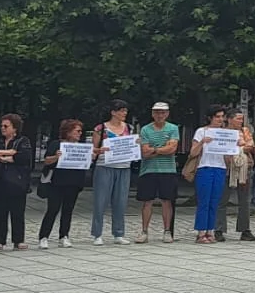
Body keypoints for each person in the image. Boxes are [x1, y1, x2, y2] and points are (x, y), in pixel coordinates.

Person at [187, 105, 236, 244]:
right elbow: (193, 153)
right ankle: (201, 231)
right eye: (217, 117)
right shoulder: (201, 131)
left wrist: (233, 148)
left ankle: (210, 230)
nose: (220, 119)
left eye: (222, 117)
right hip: (205, 167)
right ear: (210, 118)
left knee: (215, 201)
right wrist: (202, 142)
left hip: (220, 168)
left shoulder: (225, 133)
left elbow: (228, 157)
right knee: (204, 201)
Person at [0, 113, 34, 250]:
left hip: (17, 181)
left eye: (6, 126)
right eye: (1, 126)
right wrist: (9, 153)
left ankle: (18, 240)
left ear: (15, 128)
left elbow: (24, 157)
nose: (3, 128)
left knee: (17, 212)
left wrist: (5, 156)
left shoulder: (23, 140)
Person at [135, 101, 182, 243]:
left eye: (162, 112)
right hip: (148, 169)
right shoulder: (145, 129)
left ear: (167, 114)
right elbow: (145, 152)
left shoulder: (173, 128)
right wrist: (162, 148)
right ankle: (144, 231)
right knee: (147, 201)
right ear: (152, 114)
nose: (159, 115)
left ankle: (167, 231)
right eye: (157, 112)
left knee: (167, 201)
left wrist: (154, 149)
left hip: (168, 169)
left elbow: (172, 149)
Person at [91, 100, 136, 245]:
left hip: (124, 167)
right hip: (104, 166)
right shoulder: (101, 128)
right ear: (113, 112)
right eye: (121, 110)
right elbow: (93, 150)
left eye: (125, 111)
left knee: (120, 201)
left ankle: (119, 233)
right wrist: (99, 150)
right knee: (100, 201)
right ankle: (97, 233)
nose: (124, 113)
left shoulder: (129, 128)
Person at [39, 119, 90, 248]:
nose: (80, 133)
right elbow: (46, 161)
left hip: (74, 182)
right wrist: (56, 157)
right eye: (77, 131)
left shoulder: (81, 146)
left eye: (80, 131)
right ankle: (44, 236)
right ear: (68, 132)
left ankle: (64, 235)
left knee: (68, 210)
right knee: (53, 209)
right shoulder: (56, 144)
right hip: (57, 182)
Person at [226, 108, 255, 242]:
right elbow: (222, 147)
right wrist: (240, 147)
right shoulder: (223, 132)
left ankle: (245, 229)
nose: (241, 121)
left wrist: (235, 148)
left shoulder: (245, 131)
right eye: (238, 118)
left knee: (244, 200)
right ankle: (219, 229)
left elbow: (250, 146)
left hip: (244, 167)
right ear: (229, 119)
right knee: (222, 199)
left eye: (242, 119)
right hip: (227, 167)